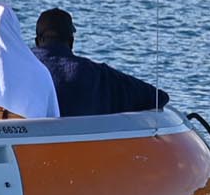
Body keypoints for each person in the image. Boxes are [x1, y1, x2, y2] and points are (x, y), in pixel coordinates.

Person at [31, 9, 170, 118]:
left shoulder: (16, 70)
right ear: (71, 42)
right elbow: (157, 97)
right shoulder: (97, 75)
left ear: (37, 42)